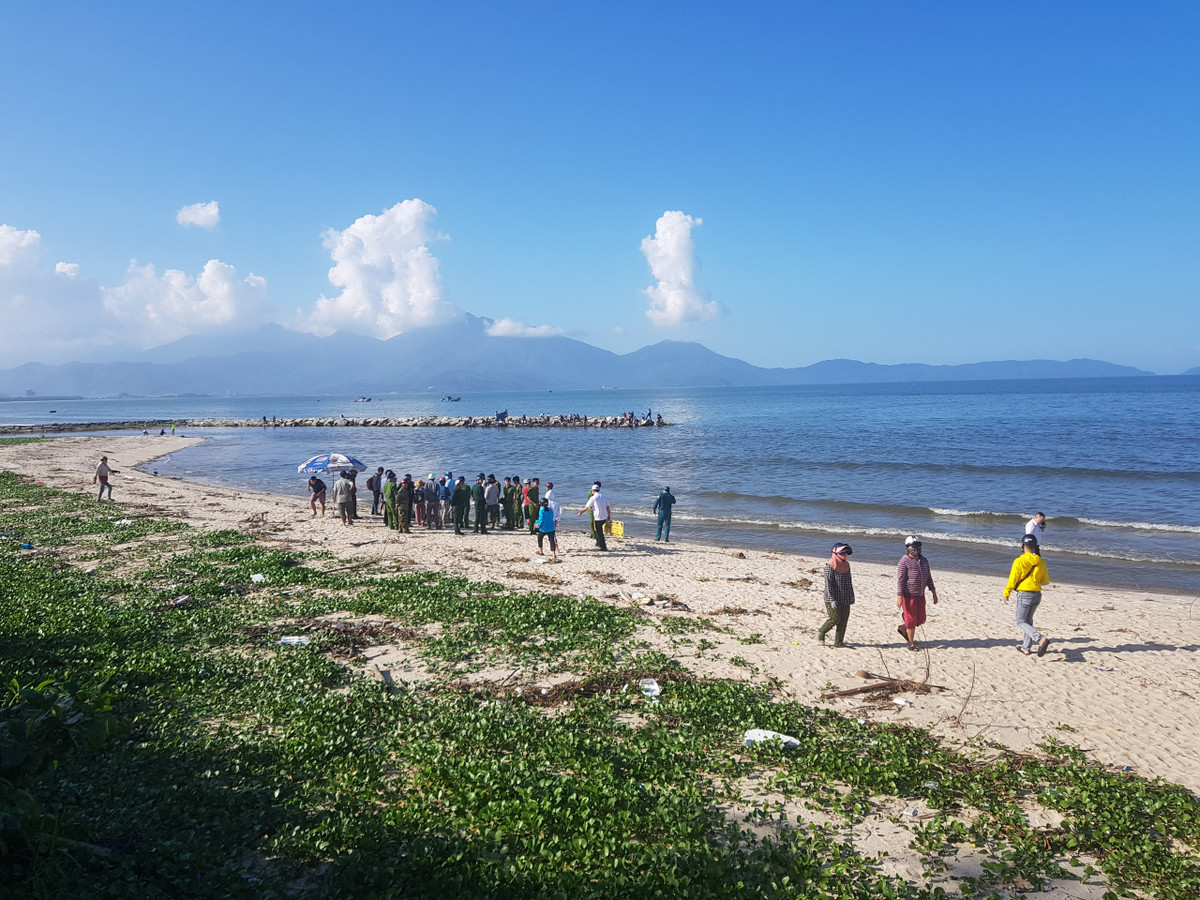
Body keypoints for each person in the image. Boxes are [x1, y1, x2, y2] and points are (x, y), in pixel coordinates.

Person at [1003, 534, 1051, 656]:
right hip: (1037, 594)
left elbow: (1012, 579)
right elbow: (1045, 581)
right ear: (1035, 547)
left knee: (1020, 621)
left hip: (1025, 594)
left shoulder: (1019, 561)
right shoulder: (1041, 562)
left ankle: (1040, 639)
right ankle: (1026, 647)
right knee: (1028, 621)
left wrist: (1006, 592)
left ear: (1023, 545)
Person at [896, 536, 938, 651]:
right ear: (907, 548)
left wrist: (933, 592)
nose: (916, 549)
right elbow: (900, 580)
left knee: (921, 619)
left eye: (918, 546)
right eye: (913, 547)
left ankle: (903, 627)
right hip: (908, 596)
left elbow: (928, 577)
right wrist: (899, 596)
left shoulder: (924, 561)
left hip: (920, 595)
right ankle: (911, 643)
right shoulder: (903, 562)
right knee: (911, 621)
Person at [818, 543, 855, 647]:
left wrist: (851, 596)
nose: (845, 555)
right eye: (842, 553)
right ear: (835, 553)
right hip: (832, 598)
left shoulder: (846, 565)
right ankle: (821, 631)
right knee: (835, 618)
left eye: (846, 553)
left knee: (843, 621)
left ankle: (838, 642)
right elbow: (828, 584)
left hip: (845, 597)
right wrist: (832, 599)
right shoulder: (830, 566)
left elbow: (849, 582)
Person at [578, 481, 610, 551]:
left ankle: (603, 547)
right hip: (604, 516)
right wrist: (609, 516)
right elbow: (608, 507)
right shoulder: (604, 496)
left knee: (599, 532)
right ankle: (598, 543)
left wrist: (581, 512)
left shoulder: (593, 498)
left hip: (598, 517)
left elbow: (587, 507)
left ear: (593, 490)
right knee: (599, 531)